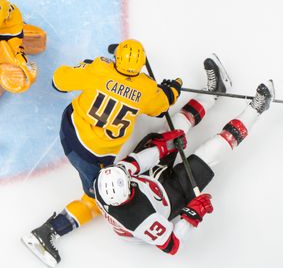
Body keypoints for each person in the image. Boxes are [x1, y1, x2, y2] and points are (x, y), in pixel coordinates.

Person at [23, 58, 274, 266]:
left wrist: (163, 144)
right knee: (215, 148)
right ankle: (256, 110)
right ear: (126, 195)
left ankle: (214, 92)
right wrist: (190, 215)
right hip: (169, 199)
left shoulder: (105, 181)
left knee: (174, 125)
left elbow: (133, 165)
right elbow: (173, 246)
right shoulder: (140, 218)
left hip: (148, 181)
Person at [41, 39, 185, 228]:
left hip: (70, 129)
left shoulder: (99, 68)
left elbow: (57, 82)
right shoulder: (147, 88)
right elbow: (160, 108)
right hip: (93, 155)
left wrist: (84, 67)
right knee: (99, 196)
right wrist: (172, 89)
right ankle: (56, 228)